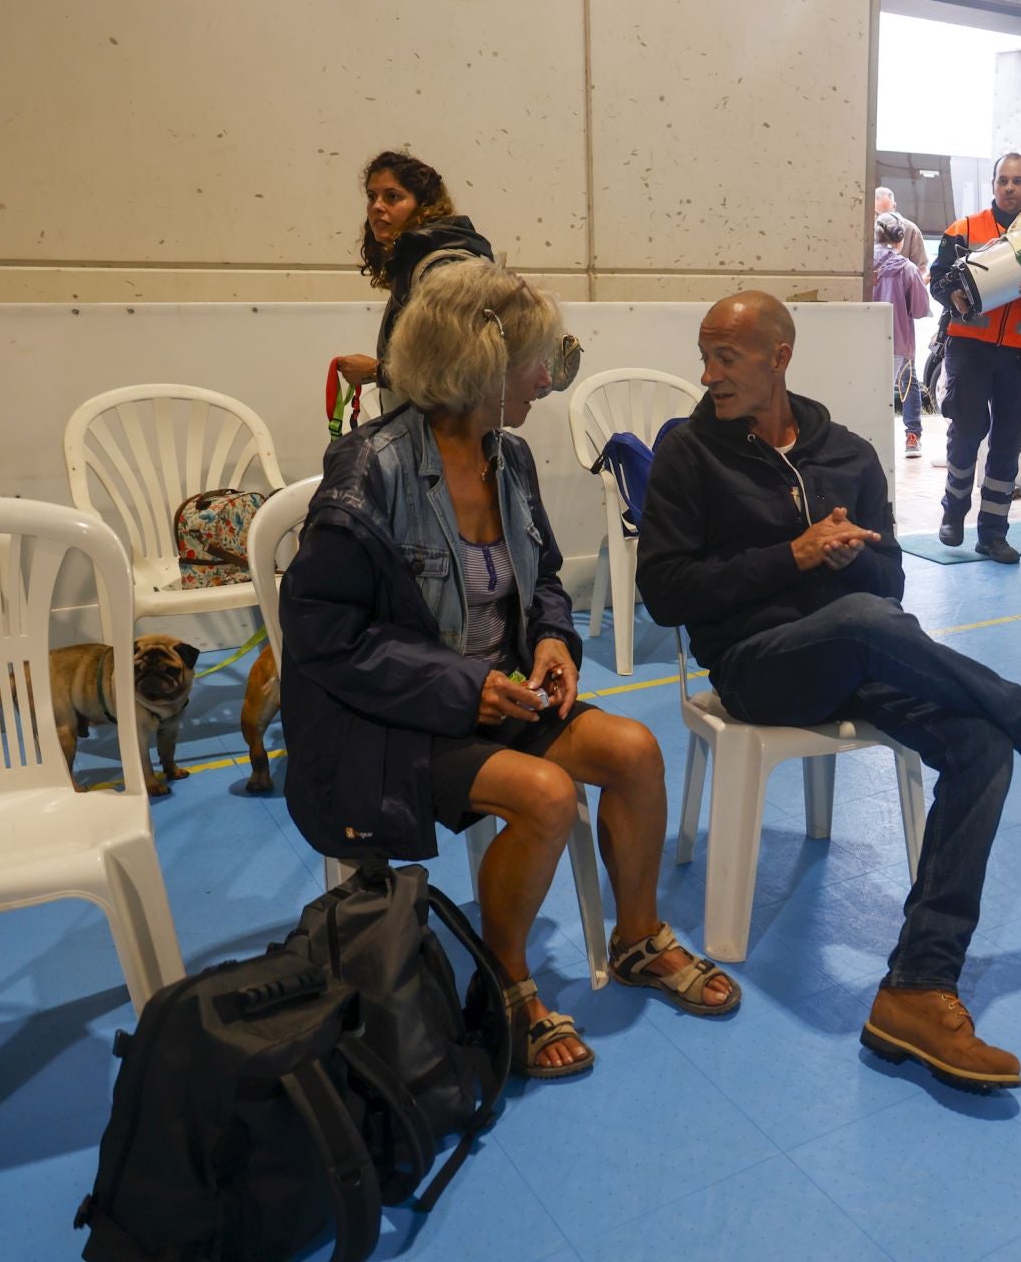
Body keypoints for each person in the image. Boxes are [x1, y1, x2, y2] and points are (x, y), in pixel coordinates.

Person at [636, 291, 1021, 1091]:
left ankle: (918, 987)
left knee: (977, 745)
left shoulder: (847, 454)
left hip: (858, 658)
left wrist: (852, 559)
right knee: (867, 623)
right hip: (755, 669)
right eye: (705, 358)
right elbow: (665, 593)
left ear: (779, 357)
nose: (708, 376)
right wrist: (793, 558)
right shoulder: (689, 455)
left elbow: (892, 585)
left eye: (725, 358)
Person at [281, 259, 739, 1082]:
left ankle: (637, 938)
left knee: (635, 751)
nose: (545, 379)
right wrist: (465, 688)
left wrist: (553, 640)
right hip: (393, 722)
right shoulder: (370, 469)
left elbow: (546, 578)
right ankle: (506, 983)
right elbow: (324, 638)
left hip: (497, 698)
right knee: (547, 794)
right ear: (482, 368)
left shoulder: (510, 458)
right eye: (535, 362)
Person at [929, 153, 1021, 563]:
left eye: (1018, 181)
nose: (1010, 188)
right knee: (965, 432)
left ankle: (993, 534)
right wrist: (953, 295)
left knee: (1007, 443)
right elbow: (937, 279)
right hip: (970, 348)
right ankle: (953, 514)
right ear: (994, 184)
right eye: (1003, 180)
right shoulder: (964, 229)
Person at [333, 150, 495, 412]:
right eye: (372, 196)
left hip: (444, 429)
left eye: (392, 197)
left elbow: (456, 368)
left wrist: (376, 372)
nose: (376, 206)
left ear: (423, 206)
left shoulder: (442, 268)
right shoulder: (417, 261)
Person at [871, 212, 931, 459]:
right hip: (898, 345)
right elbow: (920, 310)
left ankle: (873, 447)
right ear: (899, 237)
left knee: (870, 397)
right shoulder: (907, 269)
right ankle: (910, 439)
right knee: (902, 387)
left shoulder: (860, 266)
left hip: (863, 342)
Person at [873, 186, 928, 273]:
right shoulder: (862, 230)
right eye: (877, 214)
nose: (882, 219)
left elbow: (921, 269)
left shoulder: (911, 230)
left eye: (887, 214)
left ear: (894, 206)